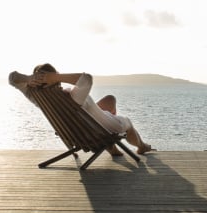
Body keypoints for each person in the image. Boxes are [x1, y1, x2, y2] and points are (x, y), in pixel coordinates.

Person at [8, 63, 153, 155]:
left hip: (83, 127)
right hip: (99, 131)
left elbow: (12, 78)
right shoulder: (73, 97)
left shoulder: (35, 97)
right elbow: (87, 79)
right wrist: (55, 77)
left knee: (110, 99)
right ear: (53, 79)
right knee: (127, 122)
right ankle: (141, 146)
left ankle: (112, 147)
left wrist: (27, 78)